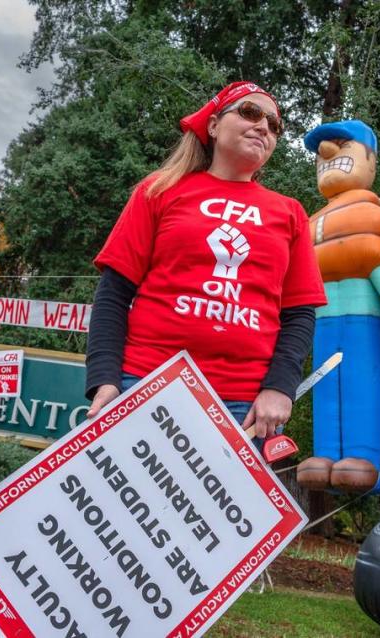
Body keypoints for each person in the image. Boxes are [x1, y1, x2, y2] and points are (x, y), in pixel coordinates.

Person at [84, 81, 326, 443]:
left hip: (243, 407)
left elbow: (299, 313)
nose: (264, 126)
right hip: (145, 383)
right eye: (250, 112)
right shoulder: (159, 190)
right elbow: (114, 293)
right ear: (213, 125)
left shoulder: (290, 213)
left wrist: (280, 388)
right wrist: (104, 378)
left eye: (274, 124)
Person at [296, 120, 380, 493]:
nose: (326, 154)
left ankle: (365, 456)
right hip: (323, 319)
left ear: (371, 161)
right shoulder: (312, 224)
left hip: (363, 321)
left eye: (341, 145)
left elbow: (378, 265)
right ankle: (325, 455)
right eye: (322, 151)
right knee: (325, 387)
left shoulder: (369, 218)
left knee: (359, 384)